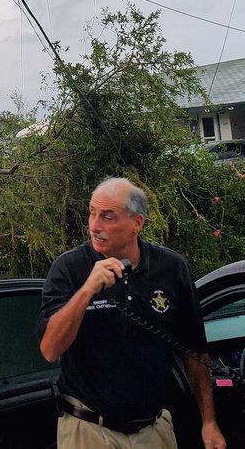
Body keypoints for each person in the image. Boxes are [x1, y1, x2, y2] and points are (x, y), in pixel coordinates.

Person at [38, 177, 226, 449]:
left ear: (137, 223)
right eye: (91, 213)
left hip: (152, 429)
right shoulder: (69, 268)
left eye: (107, 217)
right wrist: (86, 291)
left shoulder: (171, 268)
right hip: (88, 429)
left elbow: (194, 350)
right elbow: (50, 349)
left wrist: (208, 421)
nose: (94, 226)